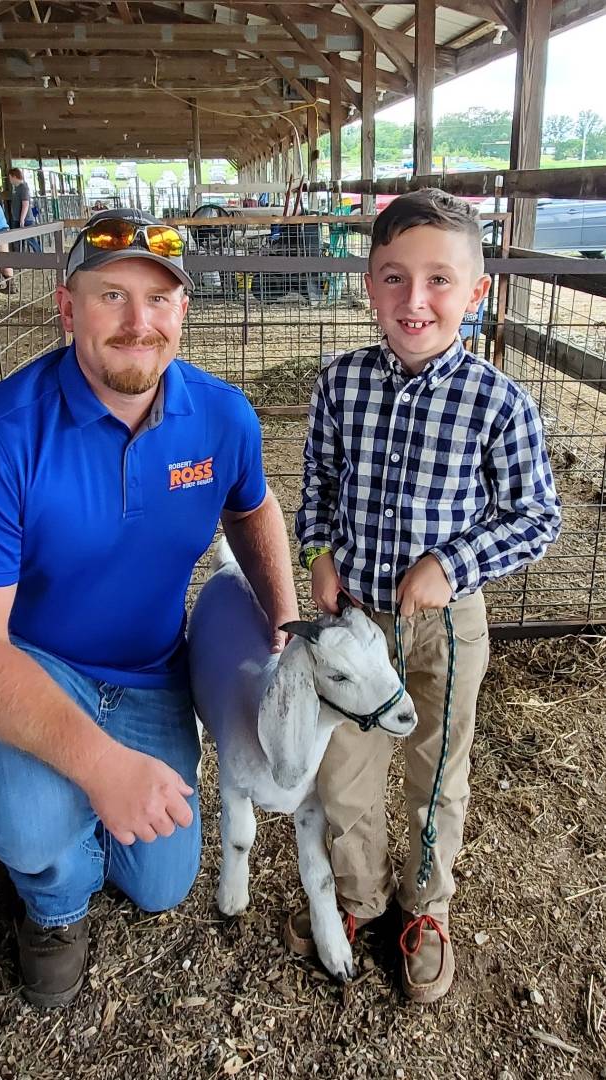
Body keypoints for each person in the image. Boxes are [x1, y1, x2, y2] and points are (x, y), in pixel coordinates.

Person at [0, 208, 299, 1008]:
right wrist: (98, 765)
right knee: (33, 830)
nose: (138, 323)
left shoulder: (222, 415)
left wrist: (285, 619)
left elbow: (252, 507)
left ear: (183, 312)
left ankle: (45, 798)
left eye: (158, 300)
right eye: (111, 297)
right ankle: (51, 903)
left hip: (150, 667)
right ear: (66, 310)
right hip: (30, 661)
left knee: (162, 882)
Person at [292, 189, 561, 1003]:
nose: (416, 301)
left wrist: (452, 561)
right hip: (352, 623)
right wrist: (317, 551)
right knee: (342, 770)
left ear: (475, 293)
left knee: (434, 770)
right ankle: (359, 897)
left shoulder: (497, 402)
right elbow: (318, 483)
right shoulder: (339, 384)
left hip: (444, 626)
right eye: (394, 278)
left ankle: (423, 907)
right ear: (368, 284)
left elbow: (534, 514)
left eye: (439, 280)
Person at [8, 166, 42, 254]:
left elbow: (25, 204)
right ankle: (22, 258)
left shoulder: (23, 188)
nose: (10, 180)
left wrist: (22, 219)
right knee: (20, 239)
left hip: (25, 219)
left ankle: (40, 257)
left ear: (14, 177)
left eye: (10, 178)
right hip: (18, 218)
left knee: (30, 239)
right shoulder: (16, 188)